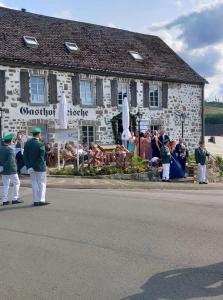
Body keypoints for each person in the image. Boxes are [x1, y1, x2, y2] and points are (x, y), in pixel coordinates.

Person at [23, 127, 49, 206]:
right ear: (39, 134)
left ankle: (35, 200)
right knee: (42, 183)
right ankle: (41, 200)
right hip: (40, 167)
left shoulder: (27, 143)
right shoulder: (41, 144)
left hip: (31, 167)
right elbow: (41, 158)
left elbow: (25, 156)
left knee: (34, 182)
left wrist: (29, 166)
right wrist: (34, 166)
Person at [0, 133, 22, 205]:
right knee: (17, 183)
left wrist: (1, 166)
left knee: (5, 185)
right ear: (10, 141)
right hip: (11, 169)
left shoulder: (1, 148)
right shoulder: (10, 149)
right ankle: (15, 199)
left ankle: (5, 200)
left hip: (3, 170)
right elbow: (11, 161)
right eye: (12, 140)